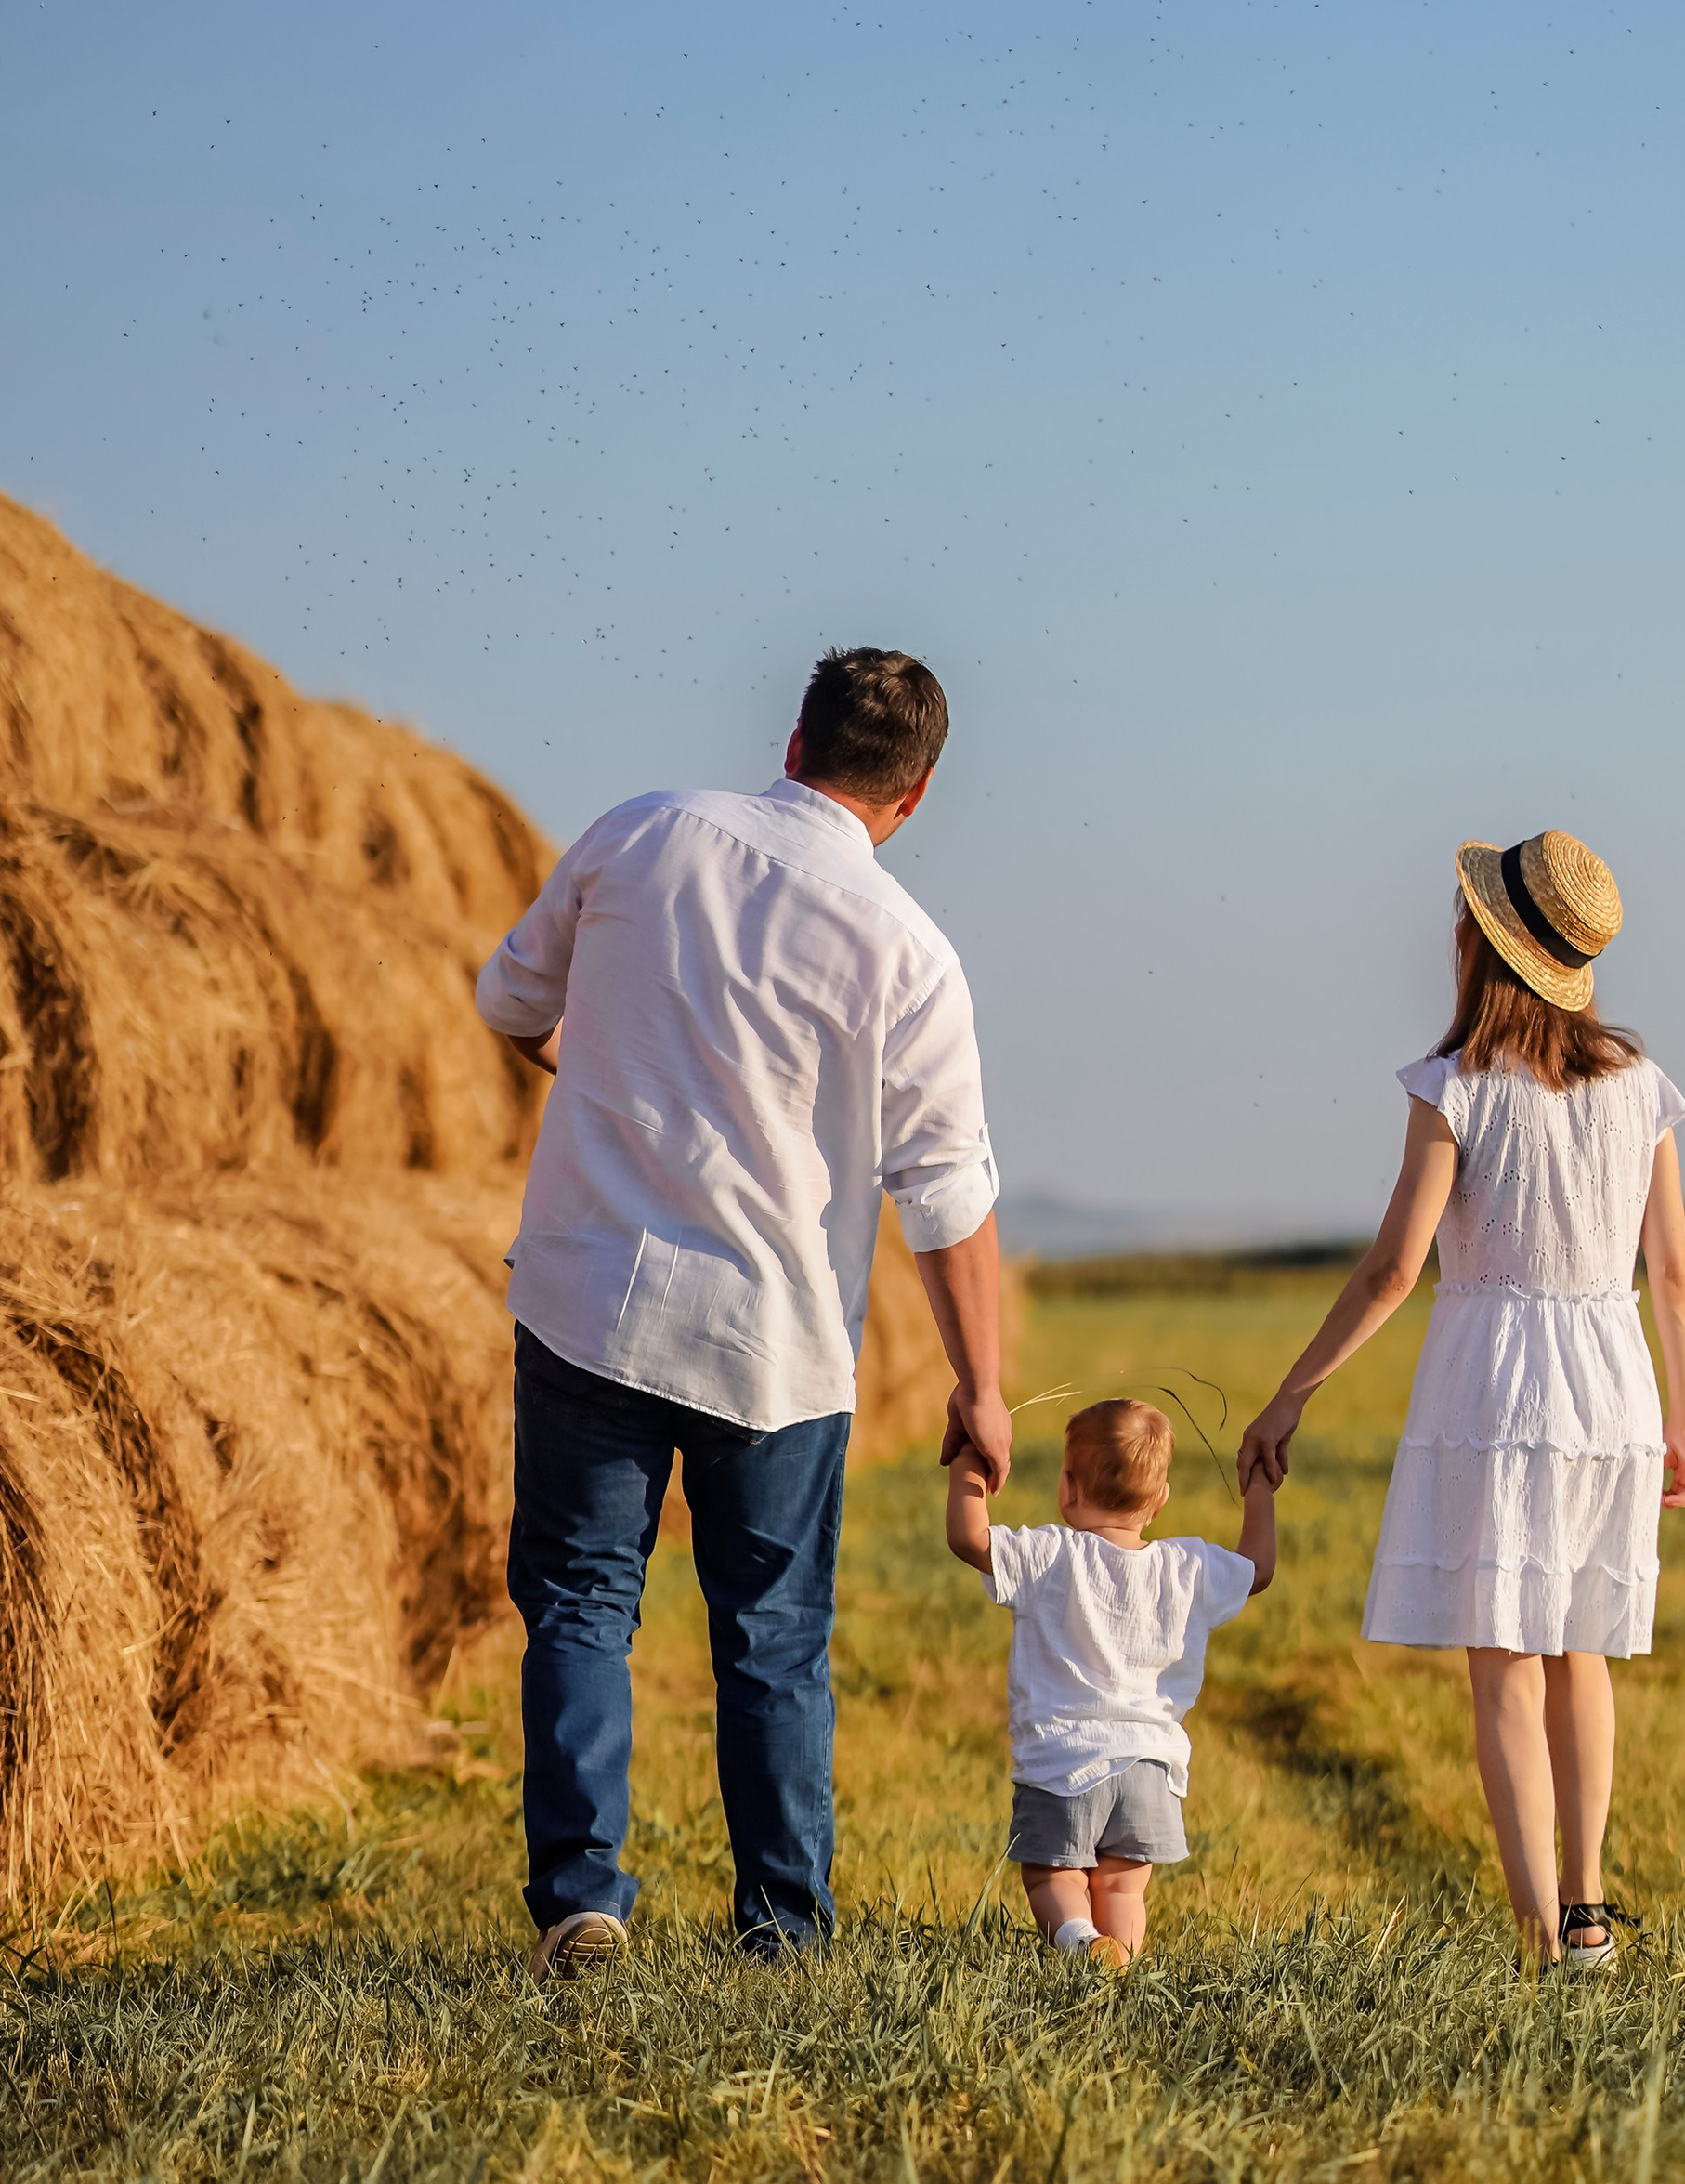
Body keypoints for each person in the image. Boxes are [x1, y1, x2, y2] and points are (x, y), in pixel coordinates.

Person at [473, 647, 1008, 1977]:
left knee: (584, 1604)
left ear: (791, 737)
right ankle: (779, 1932)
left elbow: (511, 1001)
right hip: (772, 1342)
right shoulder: (910, 953)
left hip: (589, 1294)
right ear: (916, 796)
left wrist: (607, 1070)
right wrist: (980, 1382)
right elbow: (943, 1195)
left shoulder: (640, 832)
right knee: (770, 1642)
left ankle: (581, 1904)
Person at [1236, 831, 1685, 1974]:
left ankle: (1540, 1934)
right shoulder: (1638, 1087)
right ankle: (1588, 1915)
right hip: (1611, 1382)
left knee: (1501, 1658)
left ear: (1480, 947)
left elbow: (1395, 1270)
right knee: (1580, 1651)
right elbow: (1675, 1276)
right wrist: (1683, 1421)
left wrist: (1289, 1395)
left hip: (1498, 1380)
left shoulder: (1453, 1090)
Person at [946, 1398, 1276, 1968]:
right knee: (1123, 1888)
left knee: (1053, 1878)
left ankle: (1078, 1942)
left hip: (1062, 1765)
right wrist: (1259, 1491)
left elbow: (969, 1538)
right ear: (1160, 1500)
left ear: (1068, 1488)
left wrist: (971, 1460)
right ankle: (1117, 1961)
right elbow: (1259, 1568)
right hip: (1151, 1767)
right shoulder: (1188, 1567)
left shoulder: (1050, 1555)